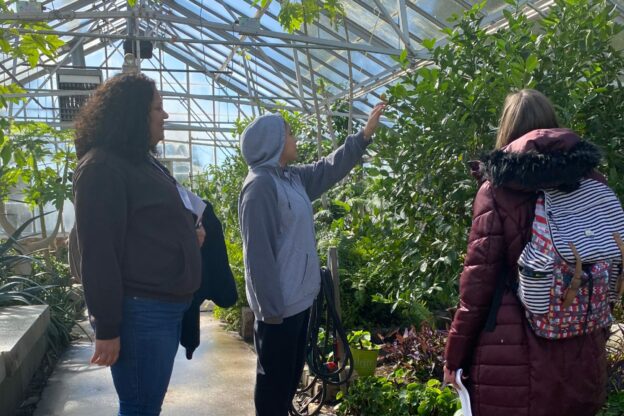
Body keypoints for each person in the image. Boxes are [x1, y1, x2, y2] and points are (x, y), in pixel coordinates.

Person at [443, 89, 608, 416]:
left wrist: (454, 358)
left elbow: (477, 288)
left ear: (507, 129)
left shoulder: (496, 190)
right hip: (582, 343)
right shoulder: (593, 182)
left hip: (513, 353)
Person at [239, 103, 385, 416]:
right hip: (278, 311)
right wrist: (271, 311)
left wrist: (362, 137)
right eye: (289, 133)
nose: (295, 138)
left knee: (288, 383)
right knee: (272, 390)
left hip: (299, 303)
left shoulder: (290, 178)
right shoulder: (260, 187)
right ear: (274, 142)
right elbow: (257, 256)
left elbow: (327, 169)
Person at [73, 73, 204, 415]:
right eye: (158, 108)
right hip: (141, 312)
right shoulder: (102, 167)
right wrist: (108, 329)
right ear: (133, 113)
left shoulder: (140, 161)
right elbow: (99, 253)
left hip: (161, 308)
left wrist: (187, 235)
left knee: (145, 404)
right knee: (140, 406)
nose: (165, 115)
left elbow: (147, 224)